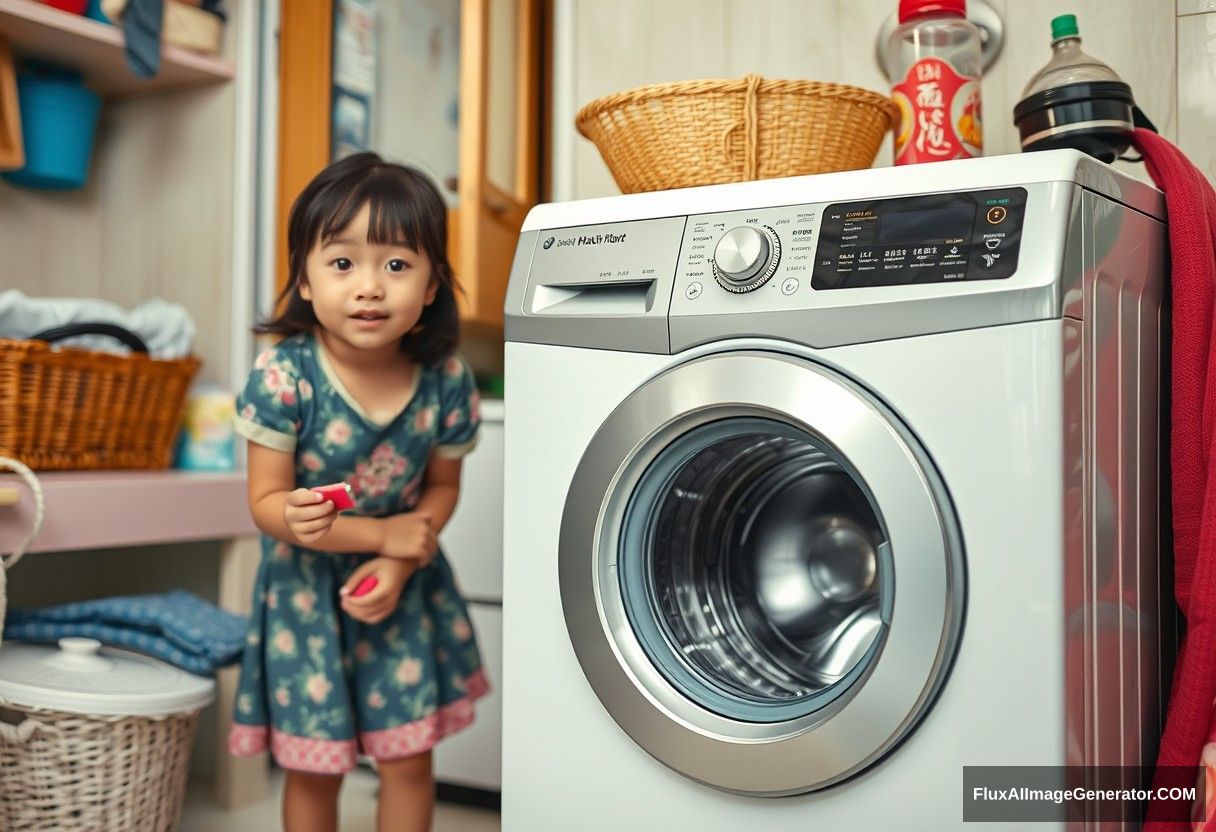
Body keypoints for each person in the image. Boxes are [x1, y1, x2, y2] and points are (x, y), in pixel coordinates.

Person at [227, 152, 487, 832]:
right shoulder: (284, 380)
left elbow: (442, 486)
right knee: (316, 767)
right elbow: (265, 504)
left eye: (397, 265)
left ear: (432, 285)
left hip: (402, 594)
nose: (370, 287)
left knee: (408, 761)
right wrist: (344, 526)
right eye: (343, 263)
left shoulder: (446, 379)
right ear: (305, 281)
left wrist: (399, 561)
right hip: (305, 600)